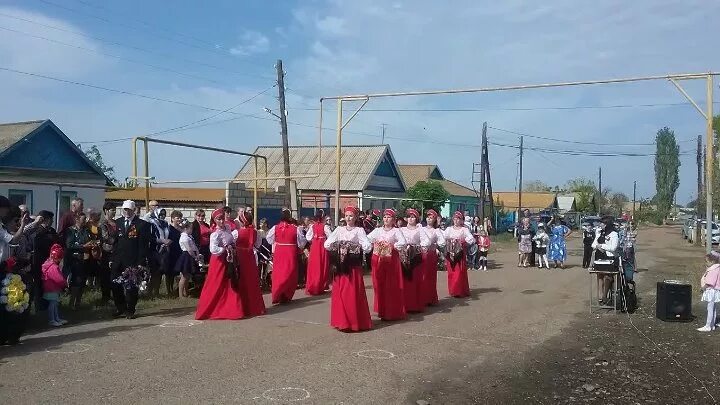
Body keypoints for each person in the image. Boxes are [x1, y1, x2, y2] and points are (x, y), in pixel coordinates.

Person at [324, 206, 373, 332]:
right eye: (346, 215)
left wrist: (355, 246)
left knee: (351, 292)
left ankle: (353, 321)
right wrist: (339, 246)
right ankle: (342, 321)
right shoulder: (339, 229)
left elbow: (367, 246)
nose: (348, 218)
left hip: (353, 265)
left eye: (351, 215)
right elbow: (328, 244)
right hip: (341, 265)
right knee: (340, 292)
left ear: (356, 217)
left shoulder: (359, 230)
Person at [195, 208, 245, 320]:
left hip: (228, 259)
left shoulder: (227, 228)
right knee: (215, 284)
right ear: (214, 220)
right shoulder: (215, 234)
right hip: (218, 261)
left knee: (230, 282)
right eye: (218, 219)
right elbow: (213, 249)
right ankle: (209, 308)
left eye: (222, 218)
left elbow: (231, 240)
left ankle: (232, 309)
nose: (221, 221)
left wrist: (231, 246)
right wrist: (224, 249)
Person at [111, 200, 151, 319]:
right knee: (114, 283)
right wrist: (112, 258)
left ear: (134, 210)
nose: (126, 212)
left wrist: (141, 262)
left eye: (129, 209)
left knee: (131, 286)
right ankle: (120, 307)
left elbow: (143, 246)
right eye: (125, 209)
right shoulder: (118, 222)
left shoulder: (141, 224)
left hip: (133, 260)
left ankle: (130, 309)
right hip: (118, 259)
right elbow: (115, 242)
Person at [367, 208, 407, 321]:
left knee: (391, 285)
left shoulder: (396, 231)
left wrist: (391, 245)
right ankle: (381, 309)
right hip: (379, 259)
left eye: (389, 217)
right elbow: (367, 239)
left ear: (393, 220)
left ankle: (391, 311)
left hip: (391, 260)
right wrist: (377, 243)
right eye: (384, 217)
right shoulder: (378, 230)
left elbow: (402, 242)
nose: (386, 219)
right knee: (379, 284)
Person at [266, 208, 307, 304]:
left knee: (279, 273)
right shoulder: (295, 229)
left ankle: (278, 294)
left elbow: (269, 239)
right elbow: (301, 242)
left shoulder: (275, 227)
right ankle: (286, 294)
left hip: (279, 252)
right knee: (290, 273)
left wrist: (277, 241)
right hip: (290, 252)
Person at [233, 209, 266, 317]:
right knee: (251, 281)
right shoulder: (256, 232)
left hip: (240, 257)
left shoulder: (237, 232)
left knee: (240, 280)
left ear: (242, 221)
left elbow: (230, 243)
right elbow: (257, 244)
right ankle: (254, 306)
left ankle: (241, 307)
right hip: (250, 257)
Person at [399, 208, 430, 313]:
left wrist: (419, 246)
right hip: (404, 257)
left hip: (415, 256)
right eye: (408, 217)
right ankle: (405, 304)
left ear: (416, 218)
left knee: (415, 279)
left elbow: (426, 241)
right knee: (404, 279)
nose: (410, 219)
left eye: (412, 217)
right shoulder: (401, 229)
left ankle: (415, 304)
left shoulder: (420, 229)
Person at [443, 211, 475, 298]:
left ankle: (459, 290)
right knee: (451, 272)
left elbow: (471, 239)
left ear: (461, 220)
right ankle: (453, 290)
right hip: (450, 253)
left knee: (459, 272)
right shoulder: (449, 229)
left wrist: (463, 241)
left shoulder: (464, 230)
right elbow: (442, 238)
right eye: (455, 218)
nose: (456, 220)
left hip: (460, 253)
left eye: (458, 219)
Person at [592, 217, 619, 305]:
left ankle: (605, 295)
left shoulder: (614, 234)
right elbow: (593, 245)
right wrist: (597, 236)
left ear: (607, 224)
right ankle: (600, 296)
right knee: (600, 276)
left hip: (610, 258)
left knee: (607, 277)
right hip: (599, 257)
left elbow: (613, 248)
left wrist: (602, 246)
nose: (600, 225)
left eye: (602, 224)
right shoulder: (600, 233)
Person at [65, 212, 90, 309]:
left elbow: (88, 240)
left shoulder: (85, 230)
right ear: (77, 220)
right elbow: (69, 245)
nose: (85, 222)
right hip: (74, 260)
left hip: (84, 259)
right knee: (76, 282)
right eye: (83, 220)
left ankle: (78, 303)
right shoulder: (70, 230)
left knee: (82, 282)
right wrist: (83, 246)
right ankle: (71, 303)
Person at [421, 209, 445, 305]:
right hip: (421, 254)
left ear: (435, 220)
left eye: (431, 218)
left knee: (430, 276)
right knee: (422, 276)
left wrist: (435, 244)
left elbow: (441, 243)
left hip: (431, 255)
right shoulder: (421, 229)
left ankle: (430, 298)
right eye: (428, 217)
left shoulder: (436, 231)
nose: (429, 219)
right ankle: (422, 297)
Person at [305, 210, 332, 295]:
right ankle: (321, 286)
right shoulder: (325, 226)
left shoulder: (312, 226)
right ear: (323, 217)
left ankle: (313, 285)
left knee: (314, 266)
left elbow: (308, 237)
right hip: (322, 247)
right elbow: (331, 237)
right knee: (322, 265)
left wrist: (314, 238)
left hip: (314, 247)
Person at [42, 244, 67, 327]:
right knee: (53, 305)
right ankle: (52, 320)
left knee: (55, 304)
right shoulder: (53, 267)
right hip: (52, 289)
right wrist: (64, 283)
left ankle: (56, 318)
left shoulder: (49, 264)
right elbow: (58, 279)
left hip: (51, 288)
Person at [175, 220, 200, 298]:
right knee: (184, 276)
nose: (192, 230)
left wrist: (198, 253)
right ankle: (180, 295)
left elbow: (194, 246)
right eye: (191, 228)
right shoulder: (184, 237)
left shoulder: (189, 236)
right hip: (186, 256)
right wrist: (195, 257)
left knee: (188, 276)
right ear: (186, 228)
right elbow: (189, 249)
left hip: (190, 256)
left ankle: (186, 292)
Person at [99, 202, 117, 303]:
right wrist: (118, 240)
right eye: (112, 210)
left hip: (116, 252)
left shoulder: (116, 222)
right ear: (106, 211)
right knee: (106, 276)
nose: (114, 212)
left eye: (115, 210)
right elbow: (105, 237)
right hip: (106, 252)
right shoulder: (103, 224)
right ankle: (105, 297)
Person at [698, 252, 720, 332]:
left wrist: (703, 288)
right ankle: (712, 325)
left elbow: (710, 282)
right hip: (714, 291)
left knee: (710, 308)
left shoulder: (713, 269)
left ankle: (708, 326)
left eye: (707, 261)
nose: (706, 263)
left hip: (711, 290)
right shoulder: (717, 268)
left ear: (712, 261)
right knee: (713, 308)